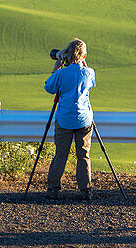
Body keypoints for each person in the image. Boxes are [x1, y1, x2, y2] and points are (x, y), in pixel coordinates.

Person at [44, 38, 96, 200]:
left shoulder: (60, 73)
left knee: (61, 154)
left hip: (65, 119)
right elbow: (91, 84)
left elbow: (49, 88)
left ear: (67, 54)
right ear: (84, 55)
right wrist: (83, 65)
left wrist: (55, 69)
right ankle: (86, 190)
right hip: (84, 120)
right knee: (83, 154)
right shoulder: (90, 73)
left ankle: (53, 188)